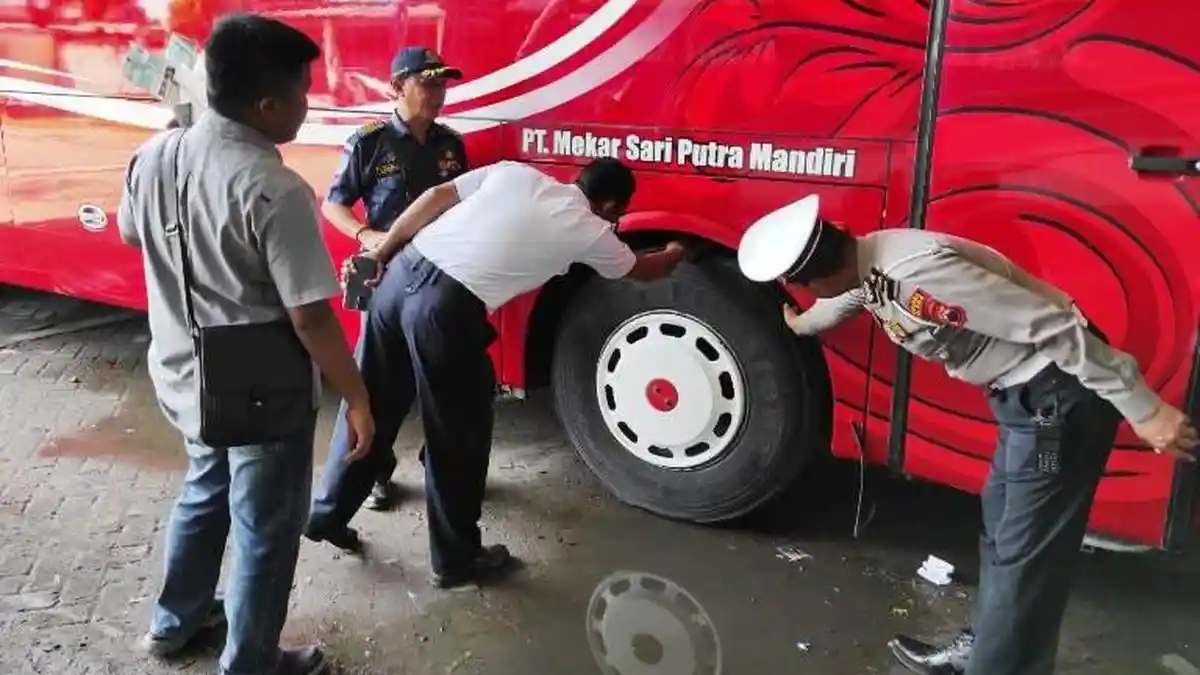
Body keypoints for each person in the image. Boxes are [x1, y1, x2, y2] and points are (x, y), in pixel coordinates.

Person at [736, 194, 1199, 675]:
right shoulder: (869, 261)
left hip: (1054, 410)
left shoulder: (919, 272)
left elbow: (1053, 325)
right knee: (1003, 527)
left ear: (817, 279)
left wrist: (1144, 408)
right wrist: (803, 323)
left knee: (1026, 549)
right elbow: (855, 296)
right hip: (1026, 405)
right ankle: (987, 649)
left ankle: (1000, 665)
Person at [117, 13, 375, 675]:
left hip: (185, 374)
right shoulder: (275, 188)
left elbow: (130, 233)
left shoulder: (154, 155)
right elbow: (310, 318)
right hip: (260, 394)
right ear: (267, 106)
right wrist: (356, 397)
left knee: (205, 490)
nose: (307, 105)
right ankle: (251, 660)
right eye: (302, 93)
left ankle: (174, 624)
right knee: (266, 527)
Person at [305, 158, 692, 588]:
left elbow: (435, 197)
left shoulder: (515, 173)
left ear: (576, 179)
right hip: (443, 310)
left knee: (370, 404)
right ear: (611, 207)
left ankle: (328, 514)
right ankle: (456, 560)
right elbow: (643, 269)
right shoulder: (592, 229)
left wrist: (381, 252)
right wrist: (678, 250)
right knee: (458, 433)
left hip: (400, 272)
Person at [320, 45, 469, 512]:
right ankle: (374, 474)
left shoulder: (451, 145)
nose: (437, 93)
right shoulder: (370, 142)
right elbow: (334, 205)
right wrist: (367, 237)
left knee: (444, 378)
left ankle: (441, 469)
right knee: (377, 383)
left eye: (442, 84)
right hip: (384, 274)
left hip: (439, 277)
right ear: (396, 88)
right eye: (427, 83)